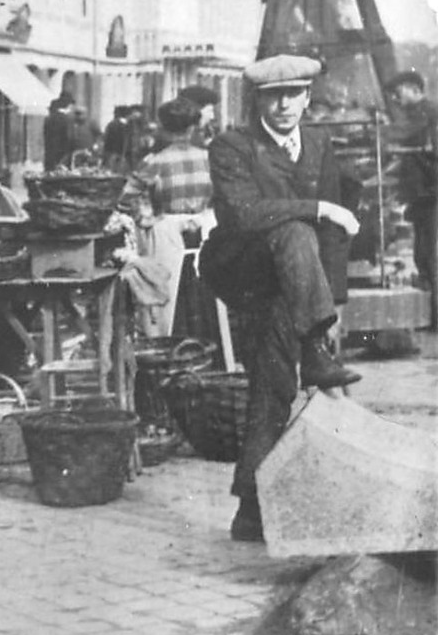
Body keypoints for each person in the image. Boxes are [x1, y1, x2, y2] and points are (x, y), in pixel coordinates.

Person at [199, 55, 364, 543]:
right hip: (249, 277)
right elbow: (244, 215)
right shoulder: (231, 146)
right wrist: (319, 206)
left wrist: (334, 304)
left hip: (302, 287)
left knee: (271, 391)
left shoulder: (318, 142)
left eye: (294, 93)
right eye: (274, 96)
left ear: (308, 97)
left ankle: (250, 511)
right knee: (294, 229)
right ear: (258, 102)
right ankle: (313, 352)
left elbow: (331, 237)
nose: (285, 104)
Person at [136, 98, 214, 336]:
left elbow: (127, 197)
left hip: (168, 229)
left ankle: (165, 338)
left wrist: (145, 218)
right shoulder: (208, 157)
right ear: (192, 128)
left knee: (164, 288)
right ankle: (211, 338)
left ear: (164, 128)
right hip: (205, 227)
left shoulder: (154, 162)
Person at [384, 69, 436, 289]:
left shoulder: (427, 113)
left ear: (415, 90)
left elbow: (401, 134)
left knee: (433, 259)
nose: (395, 99)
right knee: (423, 257)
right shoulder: (417, 116)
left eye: (398, 93)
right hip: (423, 196)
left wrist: (377, 133)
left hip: (433, 194)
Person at [43, 94, 74, 169]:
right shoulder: (66, 120)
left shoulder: (49, 118)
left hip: (49, 157)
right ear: (68, 106)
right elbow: (68, 139)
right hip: (62, 159)